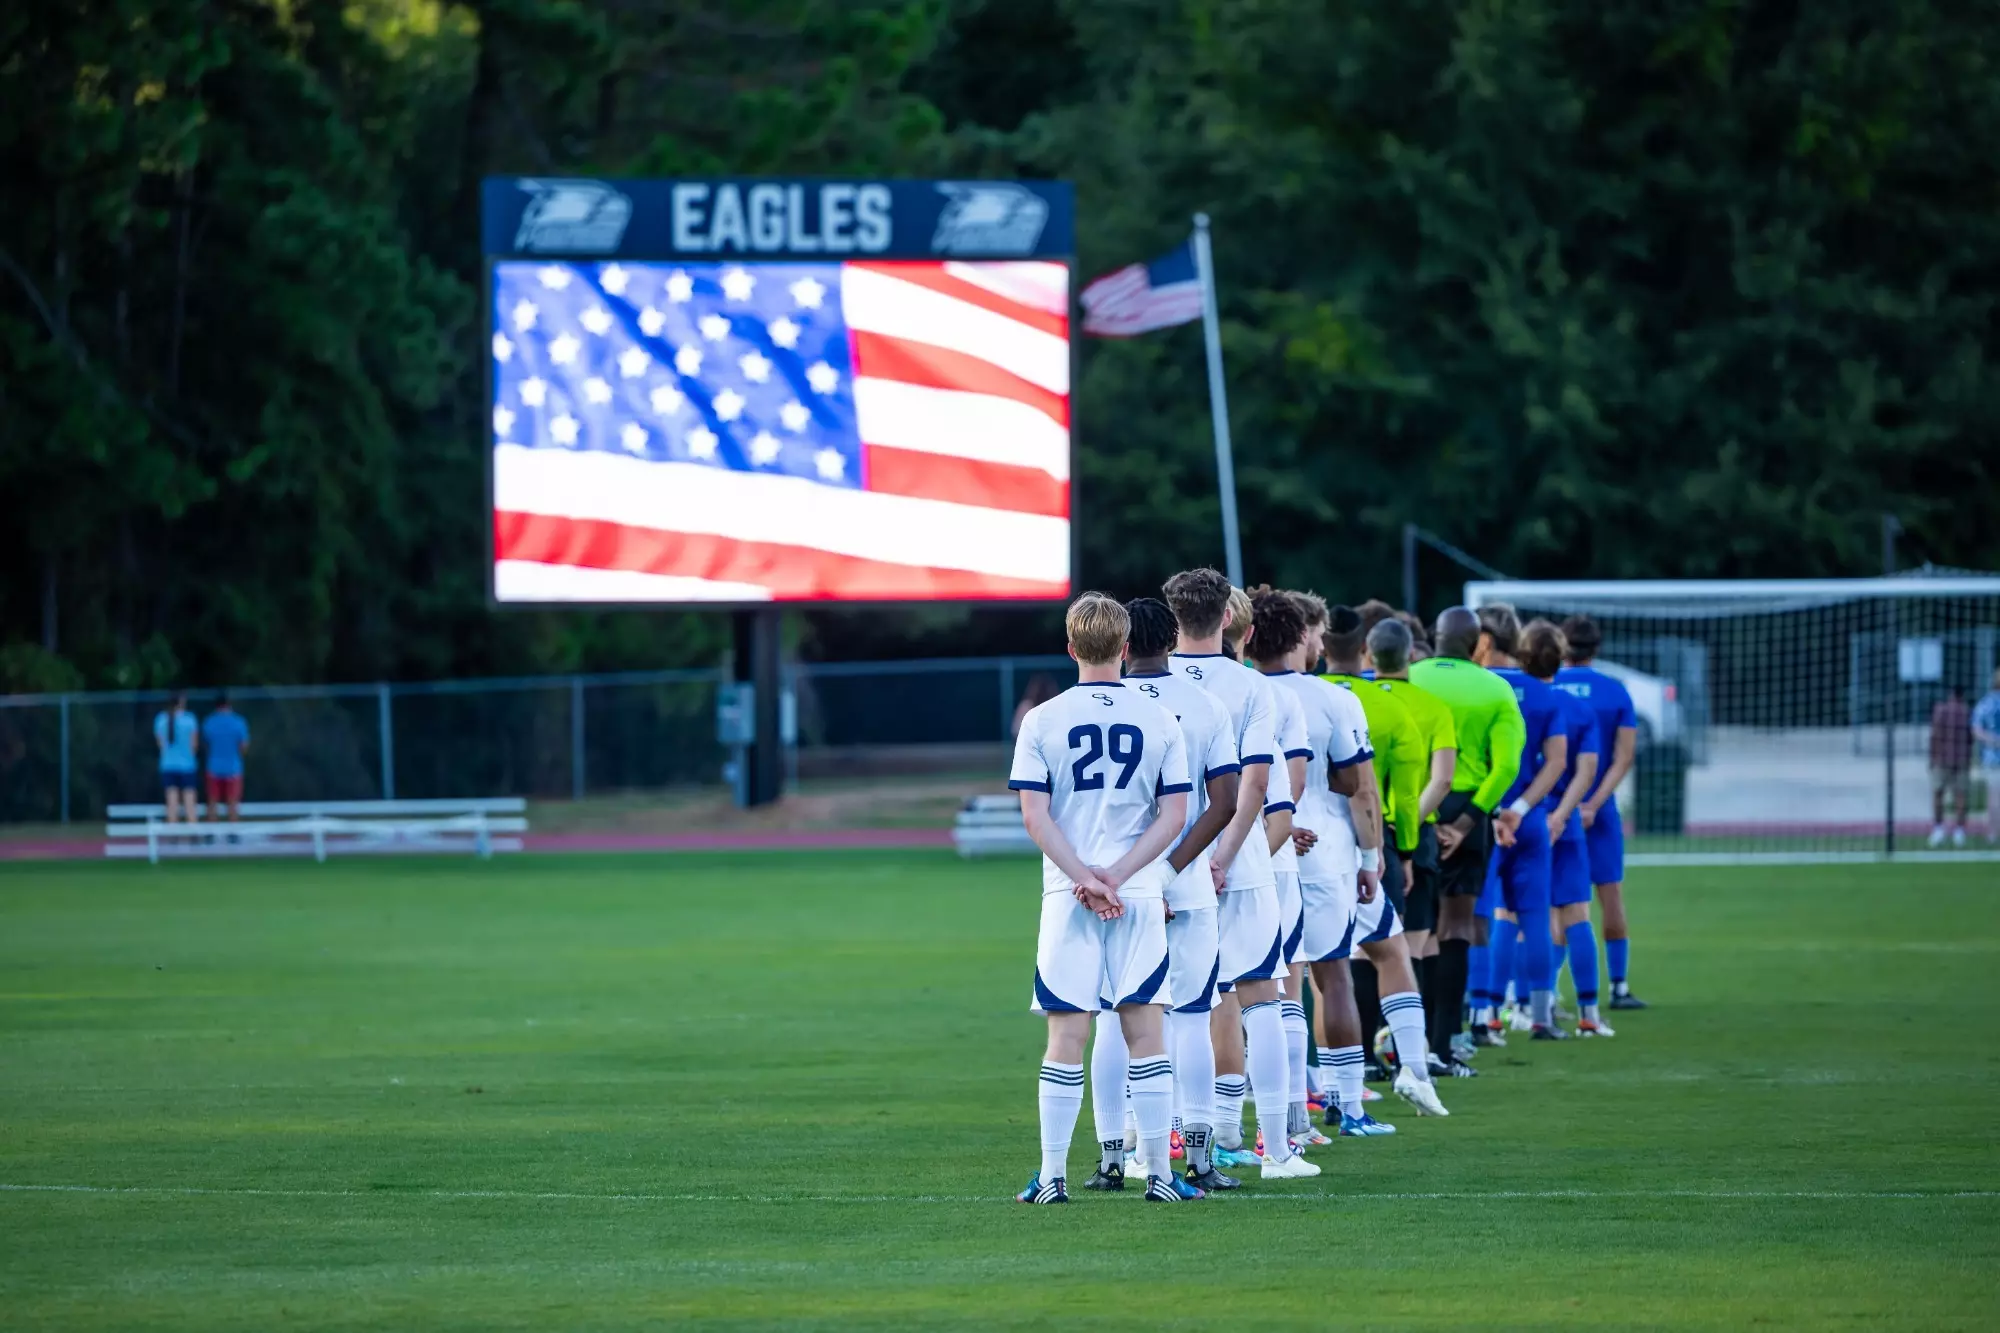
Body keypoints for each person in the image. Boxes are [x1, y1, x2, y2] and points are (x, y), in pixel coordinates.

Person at [1009, 593, 1200, 1205]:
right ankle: (1163, 1179)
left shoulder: (1041, 719)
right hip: (1138, 892)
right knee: (1146, 1033)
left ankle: (1052, 1178)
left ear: (1071, 648)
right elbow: (1176, 815)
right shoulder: (1160, 718)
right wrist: (1117, 875)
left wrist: (1086, 879)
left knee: (1067, 1036)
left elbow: (1035, 818)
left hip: (1067, 895)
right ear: (1124, 648)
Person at [1163, 567, 1320, 1180]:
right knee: (1262, 999)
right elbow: (1255, 784)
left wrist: (1184, 863)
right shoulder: (1258, 689)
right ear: (1227, 618)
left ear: (1173, 617)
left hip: (1168, 862)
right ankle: (1276, 1150)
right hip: (1244, 863)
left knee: (1170, 1002)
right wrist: (1224, 858)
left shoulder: (1148, 685)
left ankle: (1167, 1134)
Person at [1085, 597, 1243, 1193]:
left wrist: (1121, 876)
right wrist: (1172, 870)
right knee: (1191, 1020)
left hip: (1115, 886)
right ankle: (1198, 1159)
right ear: (1173, 639)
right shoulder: (1202, 704)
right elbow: (1224, 802)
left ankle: (1110, 1157)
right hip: (1186, 881)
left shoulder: (1095, 709)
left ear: (1123, 642)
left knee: (1110, 1020)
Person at [1309, 604, 1450, 1117]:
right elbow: (1397, 793)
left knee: (1315, 975)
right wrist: (1405, 853)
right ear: (1363, 650)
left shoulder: (1274, 695)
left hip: (1281, 843)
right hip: (1360, 845)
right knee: (1388, 954)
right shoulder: (1389, 708)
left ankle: (1320, 1092)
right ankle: (1411, 1068)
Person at [1409, 609, 1524, 1072]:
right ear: (1478, 644)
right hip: (1467, 810)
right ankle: (1442, 1047)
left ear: (1434, 638)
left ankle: (1401, 1043)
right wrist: (1469, 821)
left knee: (1416, 931)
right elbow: (1508, 766)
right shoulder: (1496, 687)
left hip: (1414, 806)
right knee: (1456, 926)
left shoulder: (1409, 678)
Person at [1236, 586, 1325, 1153]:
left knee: (1197, 999)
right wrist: (1278, 830)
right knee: (1280, 988)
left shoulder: (1182, 689)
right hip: (1268, 857)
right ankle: (1288, 1127)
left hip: (1196, 859)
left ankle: (1197, 1132)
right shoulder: (1278, 699)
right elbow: (1288, 785)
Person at [1479, 612, 1572, 1040]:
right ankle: (1539, 1016)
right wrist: (1519, 806)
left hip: (1479, 815)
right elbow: (1556, 762)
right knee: (1533, 915)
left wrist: (1496, 809)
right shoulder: (1543, 693)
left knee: (1487, 915)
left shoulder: (1474, 687)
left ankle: (1485, 1015)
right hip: (1529, 817)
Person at [1369, 617, 1458, 1032]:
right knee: (1414, 944)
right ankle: (1413, 1049)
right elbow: (1442, 778)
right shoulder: (1433, 707)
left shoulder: (1356, 699)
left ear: (1370, 655)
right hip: (1413, 836)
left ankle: (1366, 1053)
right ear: (1410, 655)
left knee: (1361, 946)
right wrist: (1409, 820)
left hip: (1361, 832)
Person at [1557, 615, 1646, 1008]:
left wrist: (1568, 806)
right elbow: (1624, 757)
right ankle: (1620, 987)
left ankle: (1546, 994)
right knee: (1610, 895)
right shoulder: (1615, 691)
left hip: (1554, 808)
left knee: (1556, 902)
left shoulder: (1549, 687)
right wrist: (1593, 802)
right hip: (1600, 809)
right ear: (1596, 648)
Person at [1526, 632, 1609, 1036]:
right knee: (1576, 915)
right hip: (1566, 822)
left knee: (1517, 916)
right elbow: (1587, 770)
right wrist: (1562, 814)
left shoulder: (1514, 699)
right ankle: (1589, 1015)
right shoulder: (1577, 709)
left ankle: (1512, 1006)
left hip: (1521, 819)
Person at [1928, 686, 1973, 848]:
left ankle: (1938, 830)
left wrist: (1931, 759)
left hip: (1941, 759)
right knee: (1960, 796)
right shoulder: (1966, 712)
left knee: (1938, 795)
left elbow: (1934, 736)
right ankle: (1959, 832)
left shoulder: (1940, 710)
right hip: (1961, 760)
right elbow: (1970, 738)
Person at [202, 693, 251, 823]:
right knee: (233, 802)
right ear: (229, 703)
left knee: (212, 801)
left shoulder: (209, 722)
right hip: (233, 767)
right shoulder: (239, 722)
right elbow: (244, 746)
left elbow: (206, 744)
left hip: (213, 767)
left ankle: (210, 834)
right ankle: (232, 833)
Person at [153, 692, 201, 824]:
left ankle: (173, 836)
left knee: (171, 804)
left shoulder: (160, 719)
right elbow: (194, 745)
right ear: (182, 701)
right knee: (190, 803)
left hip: (168, 765)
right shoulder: (190, 719)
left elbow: (160, 745)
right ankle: (192, 834)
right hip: (187, 765)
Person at [1976, 669, 2000, 845]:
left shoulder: (1985, 704)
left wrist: (1991, 740)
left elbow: (1976, 730)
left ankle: (1993, 832)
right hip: (1994, 758)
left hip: (1990, 757)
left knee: (1993, 797)